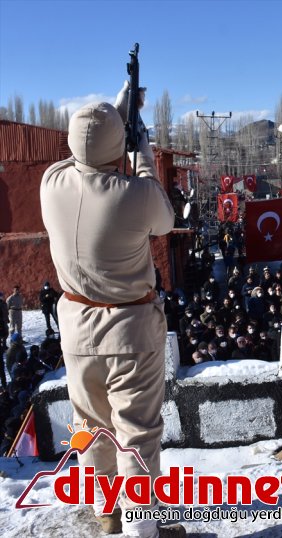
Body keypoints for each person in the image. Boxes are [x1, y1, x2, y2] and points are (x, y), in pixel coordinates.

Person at [40, 85, 183, 537]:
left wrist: (117, 116)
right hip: (129, 331)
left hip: (77, 331)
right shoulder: (134, 194)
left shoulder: (51, 184)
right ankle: (143, 528)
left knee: (91, 426)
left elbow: (84, 151)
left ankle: (107, 510)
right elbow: (164, 219)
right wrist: (141, 153)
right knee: (136, 433)